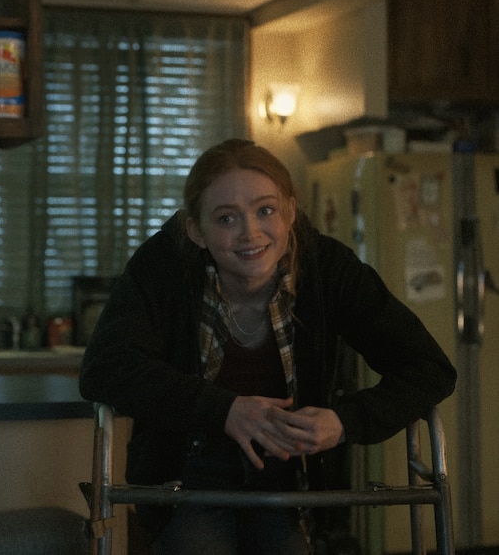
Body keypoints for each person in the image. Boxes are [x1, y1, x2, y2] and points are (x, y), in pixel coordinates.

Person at [78, 139, 456, 554]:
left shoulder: (327, 268)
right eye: (226, 219)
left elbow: (428, 367)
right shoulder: (164, 266)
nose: (251, 233)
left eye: (265, 210)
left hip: (289, 471)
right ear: (196, 230)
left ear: (290, 212)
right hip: (186, 471)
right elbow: (104, 367)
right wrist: (223, 410)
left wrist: (345, 421)